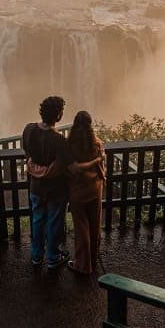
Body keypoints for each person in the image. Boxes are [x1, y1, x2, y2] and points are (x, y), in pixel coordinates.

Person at [22, 97, 98, 269]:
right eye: (61, 111)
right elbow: (75, 168)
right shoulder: (58, 140)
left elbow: (27, 154)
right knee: (54, 223)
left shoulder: (28, 129)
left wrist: (37, 169)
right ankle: (53, 257)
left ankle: (35, 256)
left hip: (35, 187)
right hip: (55, 190)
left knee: (38, 219)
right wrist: (97, 161)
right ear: (58, 116)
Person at [65, 110, 105, 275]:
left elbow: (67, 170)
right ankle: (93, 259)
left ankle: (83, 265)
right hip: (95, 189)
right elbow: (101, 166)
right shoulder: (97, 144)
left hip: (77, 192)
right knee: (95, 224)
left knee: (82, 228)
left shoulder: (69, 146)